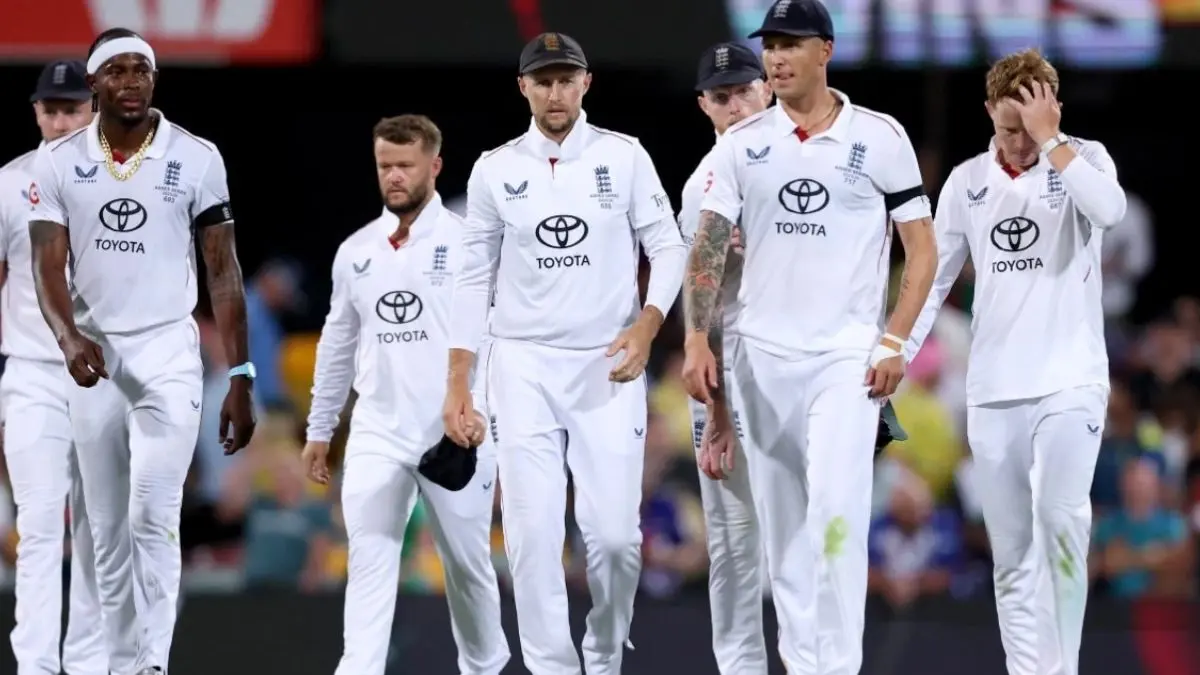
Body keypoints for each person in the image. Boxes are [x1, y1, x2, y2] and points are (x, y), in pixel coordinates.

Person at [682, 1, 938, 672]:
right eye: (770, 45)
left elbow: (922, 249)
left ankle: (839, 664)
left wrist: (895, 342)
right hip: (762, 361)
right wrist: (696, 339)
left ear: (825, 50)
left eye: (791, 44)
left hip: (844, 359)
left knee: (835, 512)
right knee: (785, 535)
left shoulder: (880, 136)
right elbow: (707, 247)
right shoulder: (741, 145)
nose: (777, 57)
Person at [442, 32, 687, 674]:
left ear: (586, 83)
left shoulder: (624, 157)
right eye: (543, 81)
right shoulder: (495, 169)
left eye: (565, 79)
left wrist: (648, 325)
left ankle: (603, 654)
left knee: (616, 539)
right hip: (521, 364)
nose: (555, 93)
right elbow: (472, 278)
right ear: (523, 87)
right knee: (532, 535)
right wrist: (460, 379)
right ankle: (551, 666)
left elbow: (668, 246)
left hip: (608, 361)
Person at [27, 28, 257, 675]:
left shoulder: (197, 157)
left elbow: (223, 271)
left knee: (152, 513)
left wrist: (240, 372)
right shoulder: (58, 162)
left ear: (154, 79)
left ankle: (151, 662)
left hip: (167, 351)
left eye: (142, 70)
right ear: (94, 82)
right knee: (104, 528)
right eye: (117, 70)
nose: (131, 81)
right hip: (95, 356)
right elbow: (46, 264)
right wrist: (69, 337)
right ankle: (123, 660)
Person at [905, 48, 1126, 675]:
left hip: (1070, 383)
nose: (1020, 144)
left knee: (1061, 522)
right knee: (1012, 553)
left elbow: (1110, 211)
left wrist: (1051, 141)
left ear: (1053, 111)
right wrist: (896, 351)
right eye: (1009, 129)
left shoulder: (1085, 158)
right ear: (987, 113)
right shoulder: (966, 182)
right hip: (994, 389)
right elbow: (932, 280)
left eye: (1030, 128)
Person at [302, 115, 509, 675]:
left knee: (467, 566)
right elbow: (337, 345)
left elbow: (499, 335)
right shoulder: (355, 252)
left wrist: (487, 411)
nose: (394, 176)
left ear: (434, 167)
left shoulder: (470, 243)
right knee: (369, 560)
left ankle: (485, 666)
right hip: (378, 431)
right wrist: (321, 428)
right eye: (384, 166)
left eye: (405, 166)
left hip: (454, 428)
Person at [0, 59, 106, 675]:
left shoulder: (124, 183)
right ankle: (36, 665)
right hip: (34, 373)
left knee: (97, 526)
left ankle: (88, 662)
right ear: (36, 112)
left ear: (93, 110)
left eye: (73, 109)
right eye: (53, 110)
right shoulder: (8, 184)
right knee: (39, 524)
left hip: (100, 377)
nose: (63, 121)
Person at [678, 41, 773, 674]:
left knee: (810, 530)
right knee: (737, 544)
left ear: (767, 88)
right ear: (704, 106)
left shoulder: (807, 163)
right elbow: (702, 299)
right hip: (731, 367)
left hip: (804, 364)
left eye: (744, 91)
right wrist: (716, 407)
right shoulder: (703, 187)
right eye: (722, 97)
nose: (736, 106)